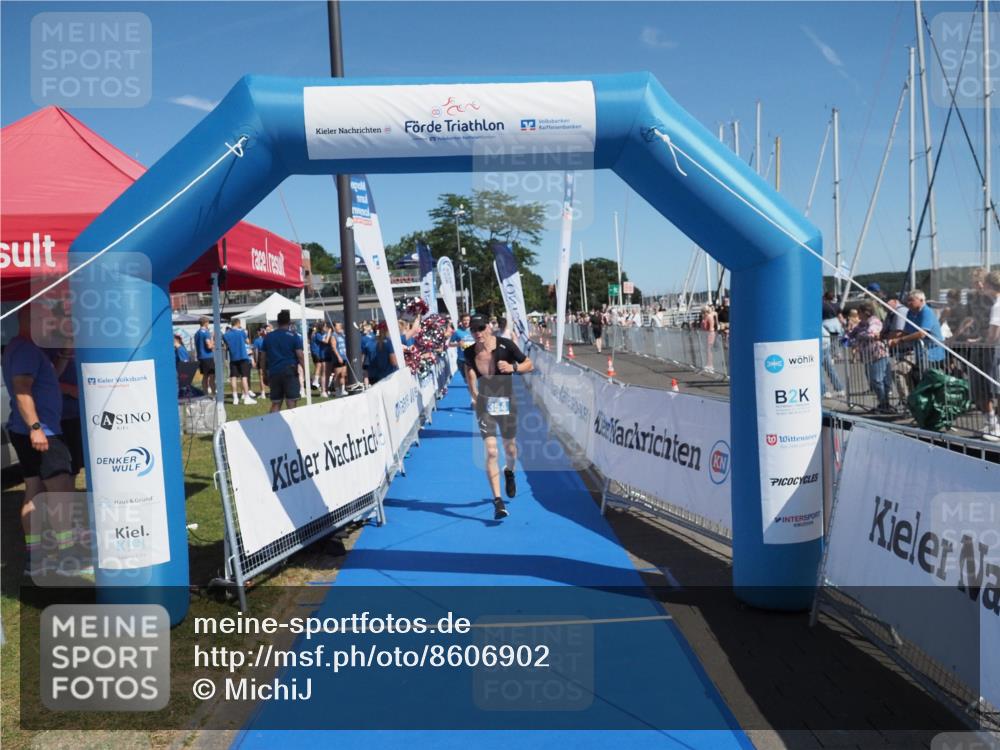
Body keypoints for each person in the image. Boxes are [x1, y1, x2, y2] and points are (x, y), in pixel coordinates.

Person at [2, 305, 76, 575]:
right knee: (61, 493)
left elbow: (49, 379)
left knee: (34, 491)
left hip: (30, 431)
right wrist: (36, 427)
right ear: (31, 322)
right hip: (41, 432)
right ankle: (67, 556)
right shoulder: (25, 349)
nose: (50, 324)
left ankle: (35, 559)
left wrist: (65, 354)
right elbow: (22, 390)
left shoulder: (24, 348)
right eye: (45, 320)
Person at [464, 315, 534, 521]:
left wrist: (513, 368)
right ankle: (498, 501)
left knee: (510, 449)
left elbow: (529, 364)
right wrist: (476, 397)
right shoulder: (468, 353)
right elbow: (469, 375)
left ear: (489, 328)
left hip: (507, 401)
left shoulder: (506, 345)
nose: (477, 332)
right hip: (486, 405)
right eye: (473, 329)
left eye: (480, 327)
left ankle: (509, 472)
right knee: (492, 451)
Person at [886, 289, 945, 392]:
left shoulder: (927, 312)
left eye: (911, 300)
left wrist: (900, 340)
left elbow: (922, 333)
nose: (908, 303)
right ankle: (911, 400)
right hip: (919, 353)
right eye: (908, 300)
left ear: (921, 300)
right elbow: (907, 331)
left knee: (927, 380)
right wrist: (892, 339)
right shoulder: (910, 313)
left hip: (932, 354)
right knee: (912, 376)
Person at [845, 302, 894, 414]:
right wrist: (849, 336)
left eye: (860, 313)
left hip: (878, 354)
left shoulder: (874, 321)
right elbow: (849, 335)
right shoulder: (862, 324)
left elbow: (871, 333)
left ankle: (884, 404)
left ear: (865, 312)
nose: (858, 316)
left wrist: (858, 336)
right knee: (874, 381)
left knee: (877, 380)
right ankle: (883, 404)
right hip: (868, 356)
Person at [259, 309, 305, 413]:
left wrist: (264, 373)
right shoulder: (294, 336)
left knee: (276, 402)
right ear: (289, 322)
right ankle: (292, 426)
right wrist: (305, 371)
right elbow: (300, 356)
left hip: (274, 372)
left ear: (278, 322)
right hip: (289, 371)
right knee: (291, 402)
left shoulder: (268, 337)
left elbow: (262, 357)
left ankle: (272, 426)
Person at [978, 271, 1000, 441]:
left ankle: (996, 426)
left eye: (984, 284)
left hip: (995, 351)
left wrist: (982, 342)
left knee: (993, 386)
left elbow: (993, 334)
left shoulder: (997, 305)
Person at [223, 318, 256, 405]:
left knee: (233, 377)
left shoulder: (226, 335)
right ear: (238, 323)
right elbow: (248, 341)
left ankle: (235, 398)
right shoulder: (241, 332)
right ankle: (246, 397)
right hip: (243, 357)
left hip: (233, 358)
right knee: (244, 377)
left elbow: (226, 347)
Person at [449, 314, 476, 404]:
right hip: (461, 360)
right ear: (461, 321)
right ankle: (473, 395)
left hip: (472, 360)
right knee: (467, 381)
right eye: (464, 320)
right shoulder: (457, 332)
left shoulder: (474, 331)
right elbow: (449, 344)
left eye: (468, 320)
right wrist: (458, 344)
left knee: (471, 379)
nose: (466, 322)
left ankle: (473, 398)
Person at [362, 321, 397, 385]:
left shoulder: (369, 343)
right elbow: (394, 362)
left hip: (373, 377)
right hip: (387, 377)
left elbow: (363, 361)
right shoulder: (388, 343)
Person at [193, 316, 216, 395]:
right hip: (208, 357)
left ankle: (205, 394)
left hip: (201, 357)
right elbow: (209, 345)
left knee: (205, 376)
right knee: (212, 376)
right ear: (206, 323)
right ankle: (213, 393)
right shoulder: (206, 333)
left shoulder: (196, 333)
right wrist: (212, 338)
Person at [331, 321, 348, 396]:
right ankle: (337, 390)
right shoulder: (333, 336)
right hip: (338, 357)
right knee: (337, 375)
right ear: (334, 327)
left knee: (343, 374)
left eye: (340, 326)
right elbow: (334, 347)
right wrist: (338, 356)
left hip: (344, 356)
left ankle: (343, 389)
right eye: (338, 326)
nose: (340, 327)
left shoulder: (342, 335)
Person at [310, 323, 327, 396]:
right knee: (319, 366)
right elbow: (325, 341)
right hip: (316, 352)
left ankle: (315, 381)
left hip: (315, 352)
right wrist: (328, 333)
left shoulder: (315, 334)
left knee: (318, 367)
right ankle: (315, 381)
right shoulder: (318, 335)